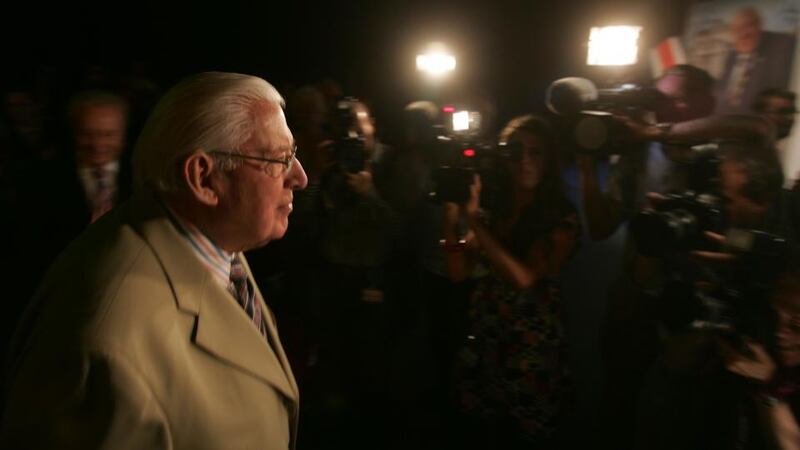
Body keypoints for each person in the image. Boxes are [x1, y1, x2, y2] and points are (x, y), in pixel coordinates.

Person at [0, 72, 308, 449]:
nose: (300, 177)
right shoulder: (108, 345)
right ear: (204, 179)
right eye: (279, 159)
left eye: (293, 154)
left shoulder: (217, 240)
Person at [445, 115, 580, 448]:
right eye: (516, 151)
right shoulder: (496, 206)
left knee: (529, 436)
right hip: (487, 335)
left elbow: (524, 278)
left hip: (531, 344)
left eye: (536, 153)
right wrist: (452, 218)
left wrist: (475, 223)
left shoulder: (560, 215)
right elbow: (458, 272)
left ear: (549, 160)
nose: (525, 161)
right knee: (480, 429)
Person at [714, 7, 796, 115]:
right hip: (725, 120)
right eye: (736, 30)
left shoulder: (781, 46)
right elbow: (721, 90)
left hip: (756, 123)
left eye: (747, 26)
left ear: (759, 25)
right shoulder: (732, 54)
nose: (743, 34)